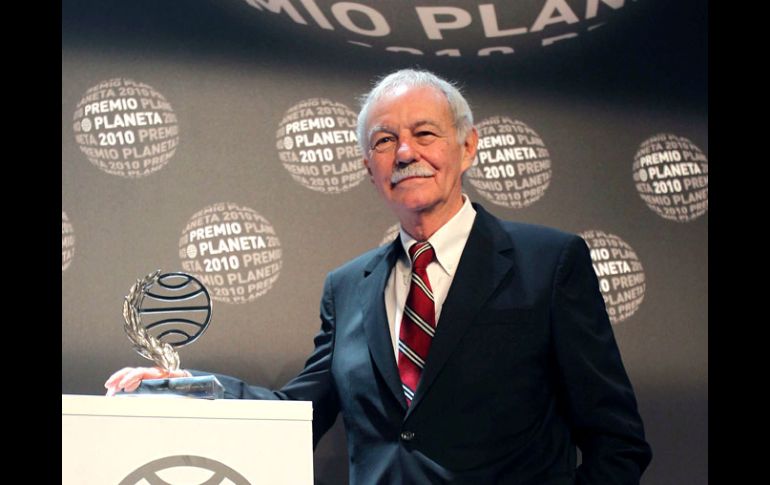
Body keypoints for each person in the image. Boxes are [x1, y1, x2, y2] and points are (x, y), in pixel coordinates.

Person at [106, 69, 652, 484]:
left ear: (468, 147)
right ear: (370, 168)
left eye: (424, 133)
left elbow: (618, 442)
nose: (406, 152)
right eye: (385, 141)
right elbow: (298, 412)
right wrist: (193, 386)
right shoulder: (347, 288)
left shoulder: (549, 262)